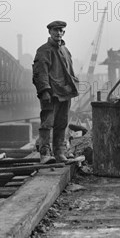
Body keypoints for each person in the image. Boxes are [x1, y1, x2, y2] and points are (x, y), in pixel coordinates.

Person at [32, 20, 79, 163]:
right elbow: (40, 72)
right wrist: (44, 90)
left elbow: (70, 71)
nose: (58, 33)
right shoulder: (44, 50)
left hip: (65, 92)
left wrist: (73, 87)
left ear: (63, 32)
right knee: (47, 122)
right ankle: (45, 153)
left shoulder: (65, 50)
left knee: (61, 123)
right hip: (51, 93)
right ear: (50, 32)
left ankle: (59, 153)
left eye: (61, 30)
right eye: (55, 30)